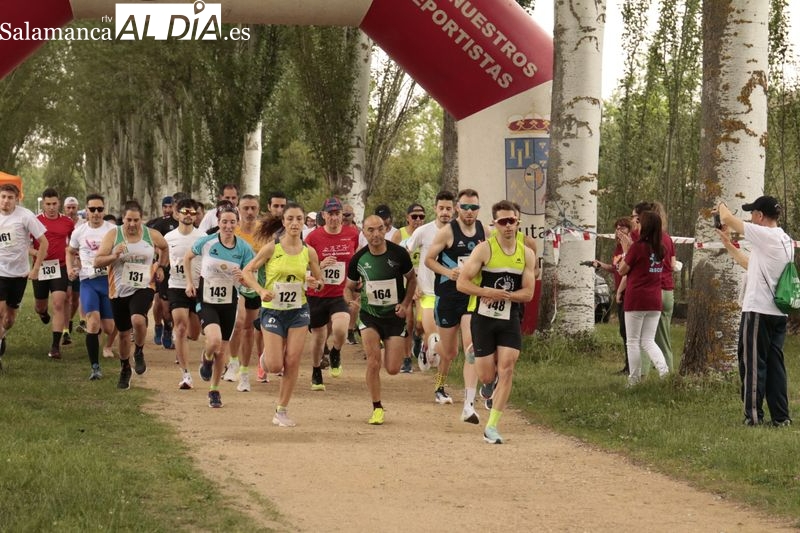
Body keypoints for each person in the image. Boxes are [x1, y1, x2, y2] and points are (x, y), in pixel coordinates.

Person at [456, 200, 536, 443]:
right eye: (503, 222)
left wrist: (507, 296)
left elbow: (529, 293)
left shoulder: (527, 253)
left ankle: (492, 427)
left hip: (509, 316)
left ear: (518, 222)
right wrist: (487, 292)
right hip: (483, 318)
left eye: (512, 221)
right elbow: (462, 283)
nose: (508, 226)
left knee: (508, 367)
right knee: (487, 377)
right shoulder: (484, 250)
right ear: (494, 224)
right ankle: (474, 352)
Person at [243, 203, 323, 425]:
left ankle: (281, 410)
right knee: (276, 365)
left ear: (304, 221)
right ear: (283, 222)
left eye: (299, 219)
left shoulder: (309, 252)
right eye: (290, 219)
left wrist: (313, 283)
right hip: (273, 311)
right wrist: (260, 290)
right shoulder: (271, 248)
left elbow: (320, 282)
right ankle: (266, 359)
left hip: (299, 310)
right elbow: (247, 271)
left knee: (293, 360)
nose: (295, 223)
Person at [718, 196, 792, 427]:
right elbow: (751, 265)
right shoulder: (783, 239)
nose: (750, 218)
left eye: (752, 214)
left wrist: (720, 205)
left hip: (758, 310)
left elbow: (728, 218)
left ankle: (752, 416)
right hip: (777, 312)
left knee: (752, 364)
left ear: (760, 216)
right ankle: (781, 417)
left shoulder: (765, 234)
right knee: (774, 365)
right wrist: (729, 245)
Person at [345, 215, 416, 425]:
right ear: (364, 233)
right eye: (370, 230)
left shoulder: (399, 254)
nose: (375, 234)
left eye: (379, 229)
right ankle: (376, 407)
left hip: (393, 316)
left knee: (393, 368)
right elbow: (348, 288)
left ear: (385, 229)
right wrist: (351, 302)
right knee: (373, 362)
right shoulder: (359, 259)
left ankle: (387, 344)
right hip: (369, 315)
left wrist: (405, 304)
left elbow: (412, 280)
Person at [94, 200, 169, 390]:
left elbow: (165, 246)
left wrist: (160, 266)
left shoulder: (151, 235)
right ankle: (125, 368)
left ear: (141, 219)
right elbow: (97, 262)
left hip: (143, 286)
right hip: (118, 290)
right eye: (129, 220)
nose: (133, 224)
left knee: (137, 318)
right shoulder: (113, 235)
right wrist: (114, 256)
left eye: (136, 220)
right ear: (123, 219)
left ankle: (140, 351)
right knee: (124, 334)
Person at [185, 204, 255, 408]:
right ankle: (206, 357)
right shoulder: (207, 242)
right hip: (206, 299)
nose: (228, 226)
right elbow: (188, 257)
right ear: (218, 222)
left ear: (238, 223)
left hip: (229, 302)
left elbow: (250, 274)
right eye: (224, 221)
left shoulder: (243, 248)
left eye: (232, 222)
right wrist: (190, 282)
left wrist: (243, 279)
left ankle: (214, 390)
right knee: (213, 341)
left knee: (222, 350)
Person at [424, 189, 485, 422]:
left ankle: (469, 404)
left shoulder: (484, 231)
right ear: (458, 208)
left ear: (478, 209)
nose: (469, 212)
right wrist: (449, 272)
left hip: (470, 298)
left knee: (471, 347)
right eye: (465, 207)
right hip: (448, 297)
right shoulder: (447, 232)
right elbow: (429, 259)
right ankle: (432, 345)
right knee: (449, 352)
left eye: (474, 208)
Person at [305, 197, 361, 391]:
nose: (334, 218)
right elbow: (303, 263)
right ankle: (316, 370)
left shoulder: (352, 234)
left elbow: (357, 258)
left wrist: (358, 277)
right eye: (330, 214)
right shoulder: (313, 237)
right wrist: (319, 266)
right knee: (319, 337)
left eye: (337, 214)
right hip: (317, 293)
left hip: (340, 293)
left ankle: (336, 351)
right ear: (323, 215)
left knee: (340, 329)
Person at [67, 194, 118, 380]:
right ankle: (95, 367)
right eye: (92, 209)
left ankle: (105, 345)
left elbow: (122, 251)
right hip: (88, 281)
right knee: (93, 322)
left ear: (104, 210)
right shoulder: (79, 231)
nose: (96, 213)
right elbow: (70, 251)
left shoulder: (113, 230)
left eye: (100, 209)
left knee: (109, 327)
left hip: (108, 281)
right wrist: (71, 268)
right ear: (86, 211)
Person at [403, 192, 455, 374]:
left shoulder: (460, 232)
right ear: (435, 209)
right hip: (427, 291)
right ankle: (427, 347)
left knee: (441, 339)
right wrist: (412, 282)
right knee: (432, 334)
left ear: (454, 210)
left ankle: (428, 352)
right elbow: (404, 255)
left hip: (451, 292)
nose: (445, 212)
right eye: (441, 208)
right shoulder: (423, 231)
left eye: (449, 209)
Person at [617, 210, 669, 386]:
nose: (636, 225)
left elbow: (622, 270)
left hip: (636, 299)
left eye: (638, 222)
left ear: (644, 226)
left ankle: (634, 380)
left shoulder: (638, 247)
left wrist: (626, 251)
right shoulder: (660, 247)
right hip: (654, 300)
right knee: (648, 341)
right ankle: (665, 373)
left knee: (632, 341)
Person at [0, 183, 48, 365]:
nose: (5, 201)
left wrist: (35, 269)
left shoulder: (25, 216)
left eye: (10, 198)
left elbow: (44, 243)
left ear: (17, 199)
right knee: (0, 311)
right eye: (3, 196)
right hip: (0, 271)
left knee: (9, 319)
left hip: (19, 274)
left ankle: (2, 336)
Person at [164, 199, 205, 390]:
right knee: (180, 327)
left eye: (192, 212)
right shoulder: (168, 237)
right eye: (185, 211)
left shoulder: (202, 237)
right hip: (176, 285)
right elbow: (162, 259)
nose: (188, 215)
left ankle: (204, 356)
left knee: (195, 333)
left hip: (198, 287)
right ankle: (186, 374)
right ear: (176, 214)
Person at [224, 194, 262, 390]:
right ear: (238, 209)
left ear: (258, 209)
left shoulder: (264, 233)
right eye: (245, 208)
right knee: (237, 324)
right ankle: (232, 362)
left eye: (253, 208)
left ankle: (245, 372)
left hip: (255, 286)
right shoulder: (233, 231)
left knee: (249, 328)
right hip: (236, 284)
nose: (249, 212)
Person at [31, 188, 75, 359]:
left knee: (58, 303)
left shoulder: (67, 222)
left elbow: (73, 243)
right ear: (43, 204)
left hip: (60, 266)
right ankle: (42, 312)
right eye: (48, 204)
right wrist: (35, 253)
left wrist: (74, 258)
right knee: (40, 305)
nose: (51, 207)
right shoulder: (34, 221)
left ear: (59, 203)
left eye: (54, 204)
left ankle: (55, 346)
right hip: (40, 267)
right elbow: (24, 244)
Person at [593, 216, 633, 374]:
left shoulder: (631, 247)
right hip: (620, 293)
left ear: (629, 230)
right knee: (623, 331)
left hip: (629, 292)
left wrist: (620, 290)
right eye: (617, 228)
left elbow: (627, 271)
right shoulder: (617, 248)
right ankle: (628, 365)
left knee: (630, 332)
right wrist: (600, 264)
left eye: (623, 228)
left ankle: (633, 367)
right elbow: (615, 268)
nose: (619, 231)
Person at [392, 203, 426, 373]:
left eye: (421, 216)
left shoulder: (428, 232)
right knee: (408, 322)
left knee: (421, 323)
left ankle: (418, 339)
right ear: (407, 218)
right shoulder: (400, 234)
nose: (418, 220)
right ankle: (406, 359)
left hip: (424, 282)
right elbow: (391, 259)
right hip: (406, 281)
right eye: (414, 216)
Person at [147, 195, 181, 349]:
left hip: (181, 272)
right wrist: (160, 258)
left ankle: (168, 329)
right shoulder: (161, 224)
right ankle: (159, 326)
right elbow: (151, 242)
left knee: (174, 307)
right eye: (177, 207)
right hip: (164, 269)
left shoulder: (189, 224)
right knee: (163, 306)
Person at [63, 195, 85, 338]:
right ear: (64, 209)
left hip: (80, 264)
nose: (71, 210)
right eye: (68, 208)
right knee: (67, 296)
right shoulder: (61, 222)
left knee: (76, 298)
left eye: (73, 208)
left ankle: (70, 320)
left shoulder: (84, 224)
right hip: (65, 263)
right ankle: (65, 329)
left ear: (77, 208)